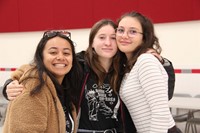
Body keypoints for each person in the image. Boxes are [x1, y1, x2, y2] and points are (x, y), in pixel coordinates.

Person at [2, 19, 175, 133]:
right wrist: (10, 83)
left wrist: (162, 62)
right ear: (92, 42)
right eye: (101, 37)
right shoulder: (78, 64)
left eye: (113, 37)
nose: (107, 42)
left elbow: (163, 92)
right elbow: (37, 67)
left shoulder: (126, 69)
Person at [3, 30, 80, 133]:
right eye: (53, 52)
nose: (61, 57)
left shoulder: (65, 87)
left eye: (66, 53)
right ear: (41, 57)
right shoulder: (34, 87)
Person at [115, 11, 180, 133]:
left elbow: (160, 111)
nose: (124, 36)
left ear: (144, 37)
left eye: (133, 31)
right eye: (121, 30)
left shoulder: (146, 61)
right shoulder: (130, 65)